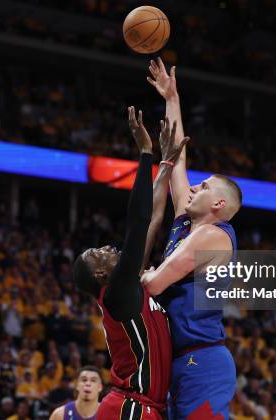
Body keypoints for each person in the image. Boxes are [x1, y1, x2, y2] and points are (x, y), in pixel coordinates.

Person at [142, 57, 242, 419]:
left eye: (203, 186)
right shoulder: (188, 221)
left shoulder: (214, 237)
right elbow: (177, 159)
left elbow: (154, 284)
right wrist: (172, 99)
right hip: (182, 359)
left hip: (203, 358)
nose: (194, 186)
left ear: (217, 203)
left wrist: (137, 276)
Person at [73, 107, 187, 419]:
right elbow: (138, 221)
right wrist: (146, 153)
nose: (109, 247)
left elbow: (151, 223)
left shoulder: (127, 287)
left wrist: (166, 163)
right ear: (100, 273)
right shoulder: (116, 293)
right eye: (100, 252)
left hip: (139, 408)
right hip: (130, 408)